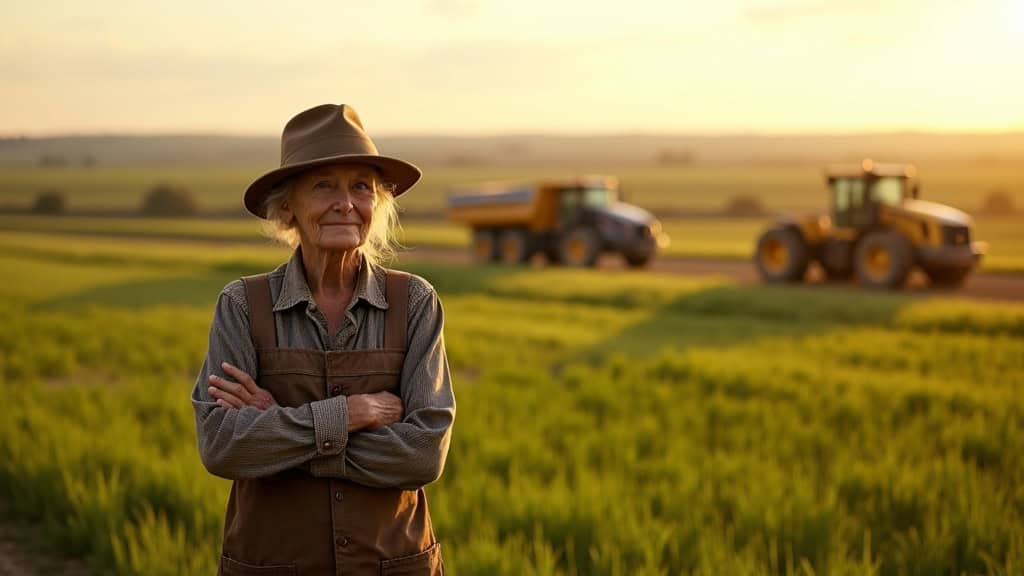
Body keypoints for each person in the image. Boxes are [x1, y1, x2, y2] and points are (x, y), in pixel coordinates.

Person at [191, 104, 454, 575]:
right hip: (271, 564)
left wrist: (278, 426)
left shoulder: (414, 302)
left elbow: (422, 454)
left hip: (392, 564)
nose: (346, 203)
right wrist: (352, 414)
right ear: (287, 207)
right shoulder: (241, 306)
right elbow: (221, 445)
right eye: (324, 185)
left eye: (361, 187)